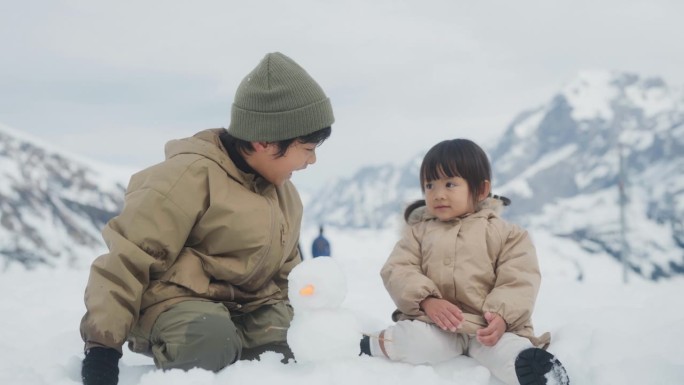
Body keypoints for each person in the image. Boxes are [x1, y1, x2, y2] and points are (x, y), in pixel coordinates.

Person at [80, 52, 334, 385]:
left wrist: (316, 326)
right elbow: (127, 259)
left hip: (248, 309)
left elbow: (287, 273)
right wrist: (102, 350)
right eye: (307, 148)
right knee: (211, 340)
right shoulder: (187, 177)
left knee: (294, 341)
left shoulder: (285, 195)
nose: (312, 160)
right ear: (265, 141)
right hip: (176, 304)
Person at [359, 139, 569, 385]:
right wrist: (427, 300)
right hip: (438, 326)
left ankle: (537, 371)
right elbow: (398, 269)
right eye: (429, 185)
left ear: (480, 189)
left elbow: (519, 279)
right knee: (415, 342)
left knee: (507, 351)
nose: (438, 194)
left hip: (489, 329)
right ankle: (370, 343)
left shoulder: (507, 234)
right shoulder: (419, 233)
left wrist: (502, 317)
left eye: (450, 184)